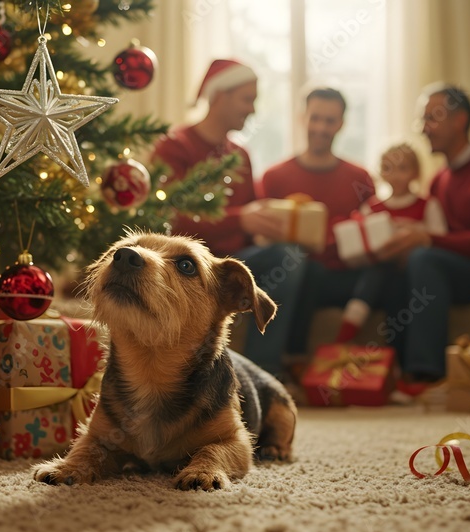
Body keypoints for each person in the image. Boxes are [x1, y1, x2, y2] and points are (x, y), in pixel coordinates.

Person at [151, 59, 304, 377]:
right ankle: (265, 369)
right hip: (186, 263)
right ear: (219, 96)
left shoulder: (241, 155)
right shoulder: (173, 147)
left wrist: (272, 224)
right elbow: (167, 218)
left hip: (234, 261)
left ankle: (266, 370)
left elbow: (252, 213)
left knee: (291, 257)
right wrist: (241, 220)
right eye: (247, 99)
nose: (252, 110)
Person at [377, 84, 470, 392]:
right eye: (422, 119)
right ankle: (392, 372)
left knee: (424, 257)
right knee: (399, 263)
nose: (423, 128)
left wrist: (426, 239)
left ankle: (426, 374)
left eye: (432, 118)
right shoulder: (439, 180)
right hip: (450, 269)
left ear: (459, 120)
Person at [259, 87, 375, 358]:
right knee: (309, 270)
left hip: (347, 277)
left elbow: (371, 231)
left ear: (342, 124)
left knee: (386, 274)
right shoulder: (274, 177)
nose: (321, 128)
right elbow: (261, 241)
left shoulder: (360, 178)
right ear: (303, 119)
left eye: (330, 120)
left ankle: (398, 371)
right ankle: (294, 358)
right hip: (300, 276)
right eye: (316, 118)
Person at [335, 143, 447, 343]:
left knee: (391, 281)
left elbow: (439, 240)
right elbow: (360, 240)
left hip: (411, 272)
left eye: (403, 168)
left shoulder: (428, 205)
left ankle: (351, 326)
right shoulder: (371, 207)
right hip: (381, 270)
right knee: (382, 276)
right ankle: (356, 331)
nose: (395, 174)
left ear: (415, 172)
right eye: (388, 168)